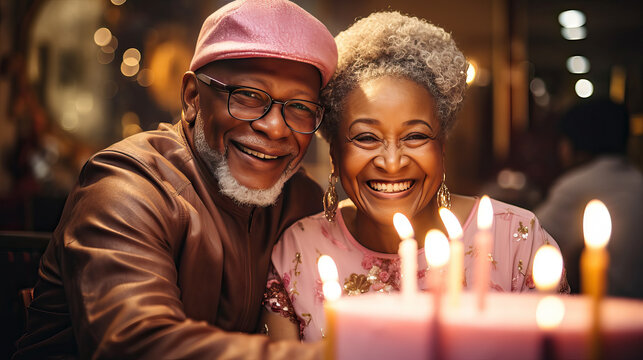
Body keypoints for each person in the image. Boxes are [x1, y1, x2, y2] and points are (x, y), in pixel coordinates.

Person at [13, 0, 337, 358]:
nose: (275, 127)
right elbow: (137, 344)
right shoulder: (126, 187)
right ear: (192, 97)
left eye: (301, 108)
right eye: (247, 96)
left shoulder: (301, 200)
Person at [260, 11, 570, 342]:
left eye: (415, 137)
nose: (392, 163)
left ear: (442, 147)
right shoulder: (297, 253)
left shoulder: (517, 242)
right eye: (366, 138)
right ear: (334, 151)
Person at [536, 99, 643, 298]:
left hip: (609, 307)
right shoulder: (638, 181)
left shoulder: (576, 186)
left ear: (575, 142)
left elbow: (529, 235)